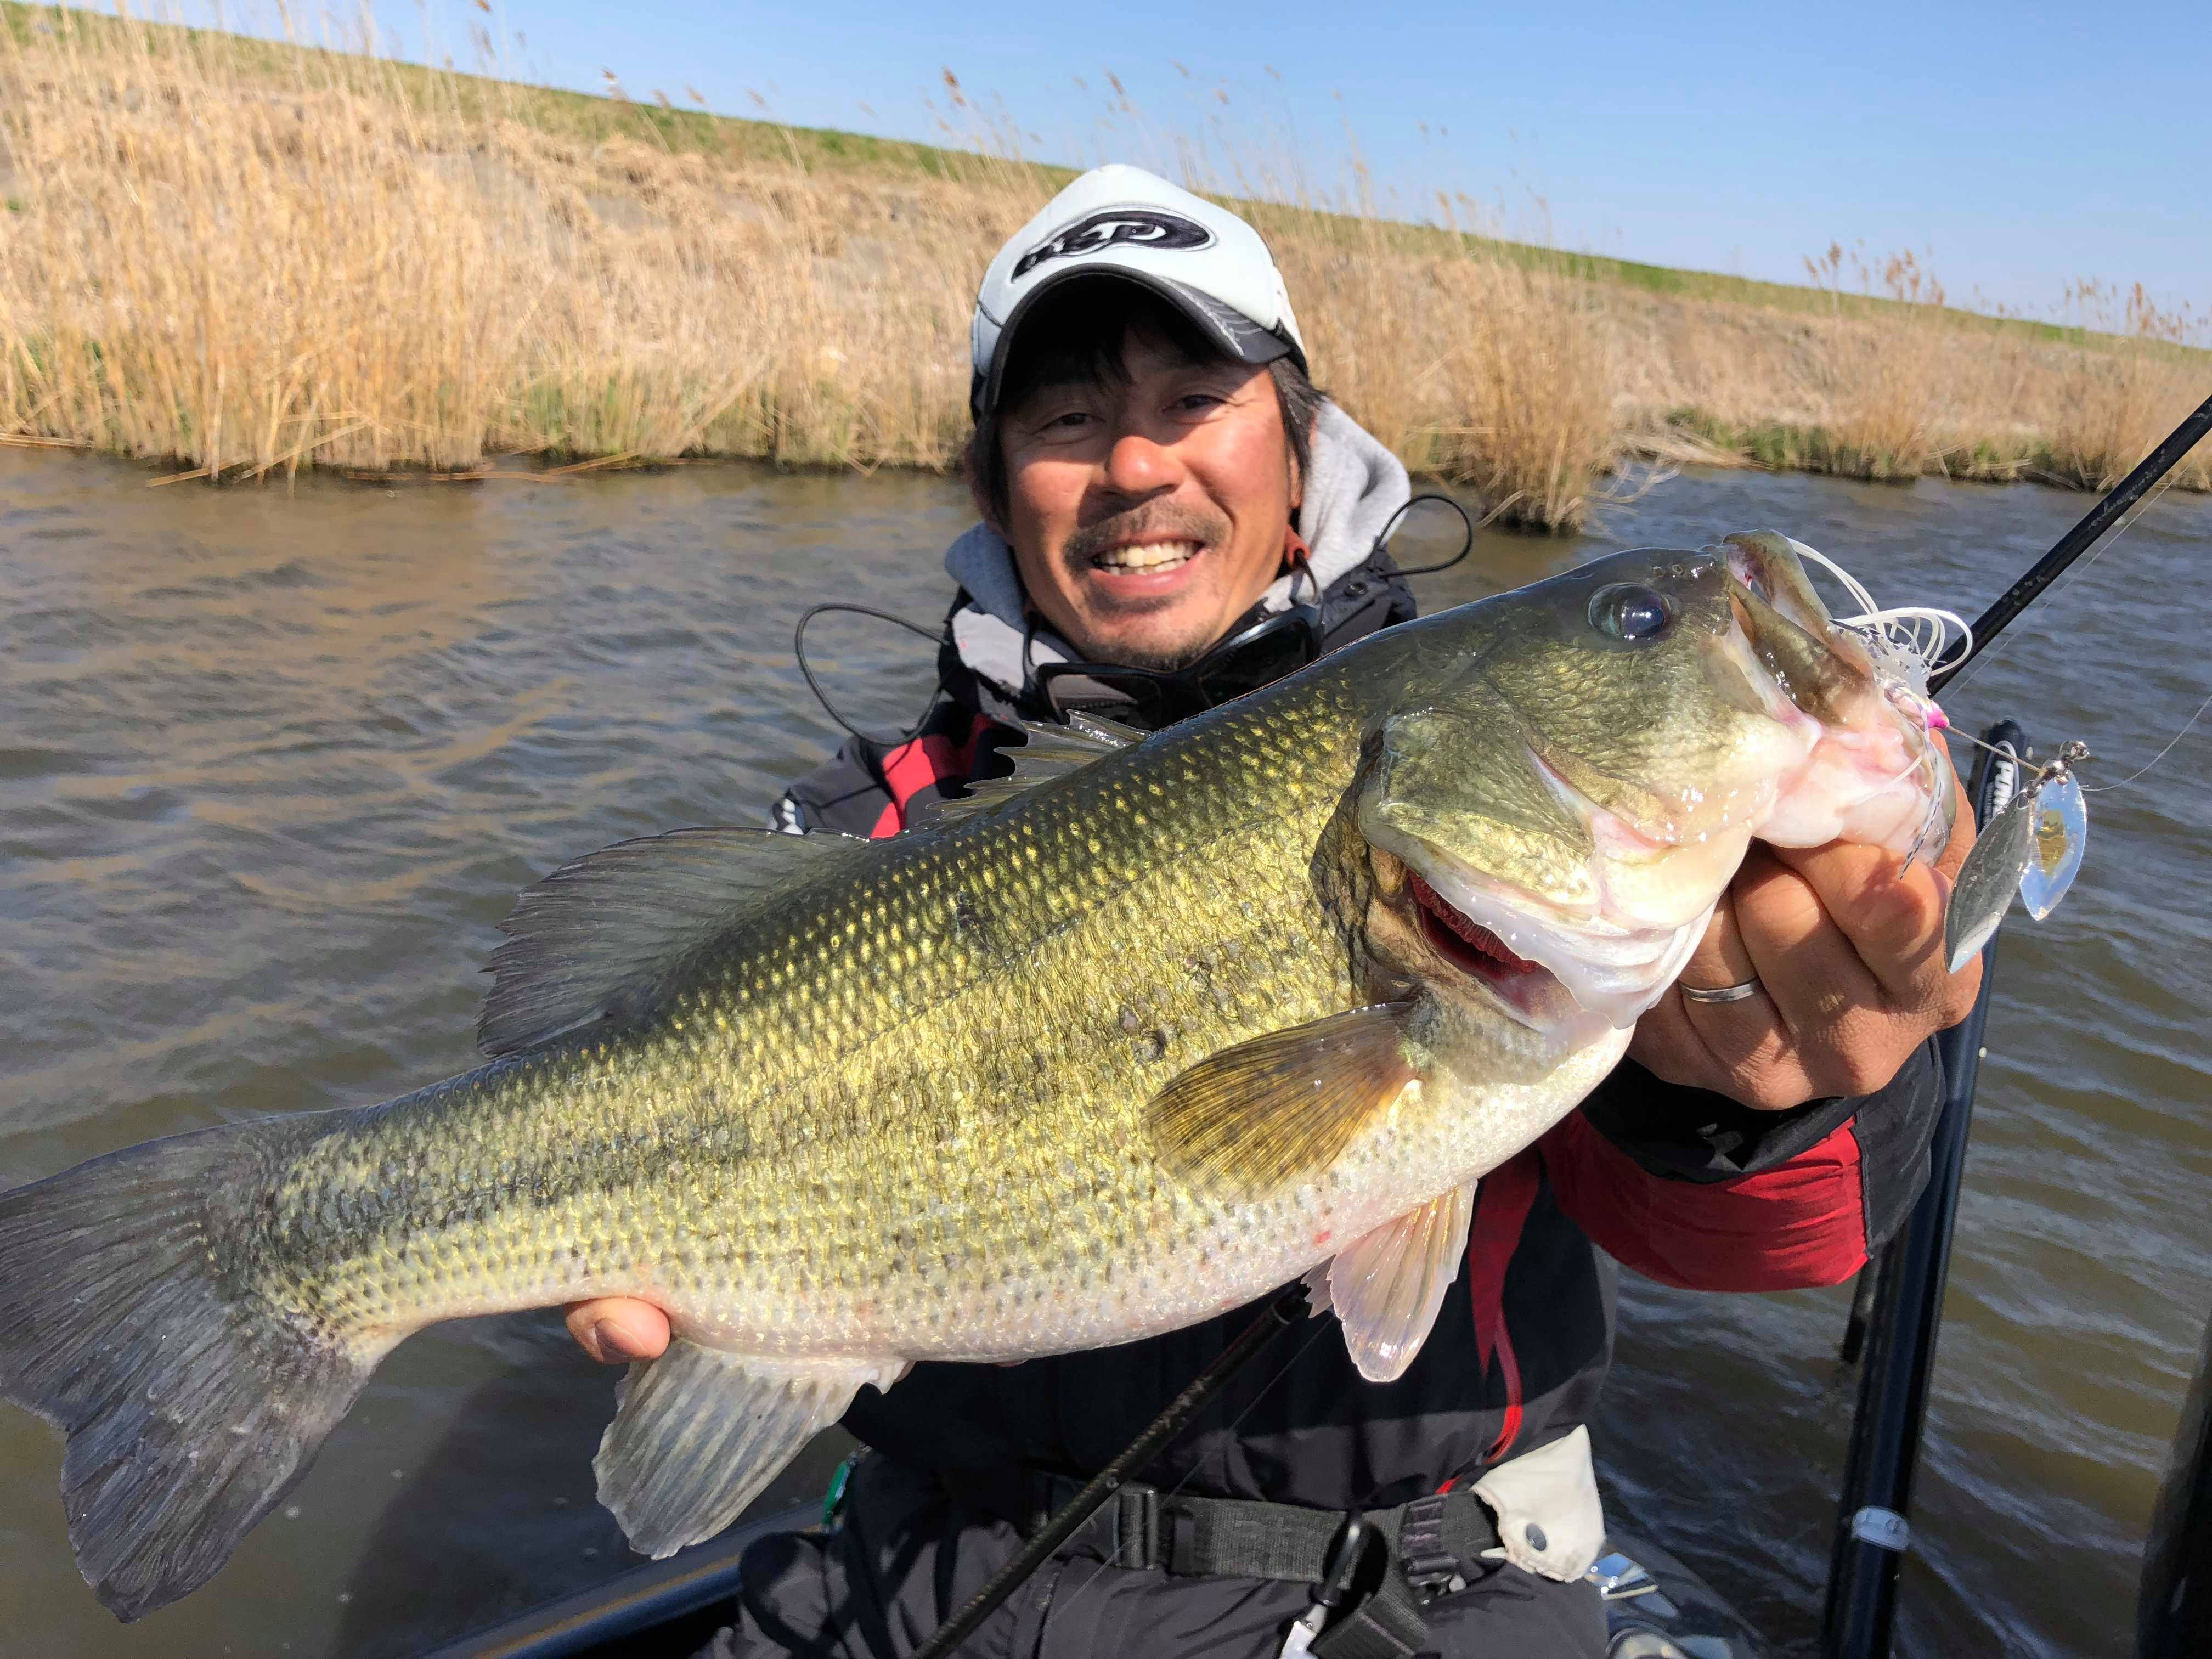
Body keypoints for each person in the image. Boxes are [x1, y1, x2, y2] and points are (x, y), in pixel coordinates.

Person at [563, 166, 1981, 1657]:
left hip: (1410, 1598)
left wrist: (1751, 1097)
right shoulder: (860, 840)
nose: (1134, 464)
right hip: (919, 1574)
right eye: (1062, 419)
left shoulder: (1477, 768)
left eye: (1195, 399)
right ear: (992, 488)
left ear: (1300, 452)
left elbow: (1783, 1243)